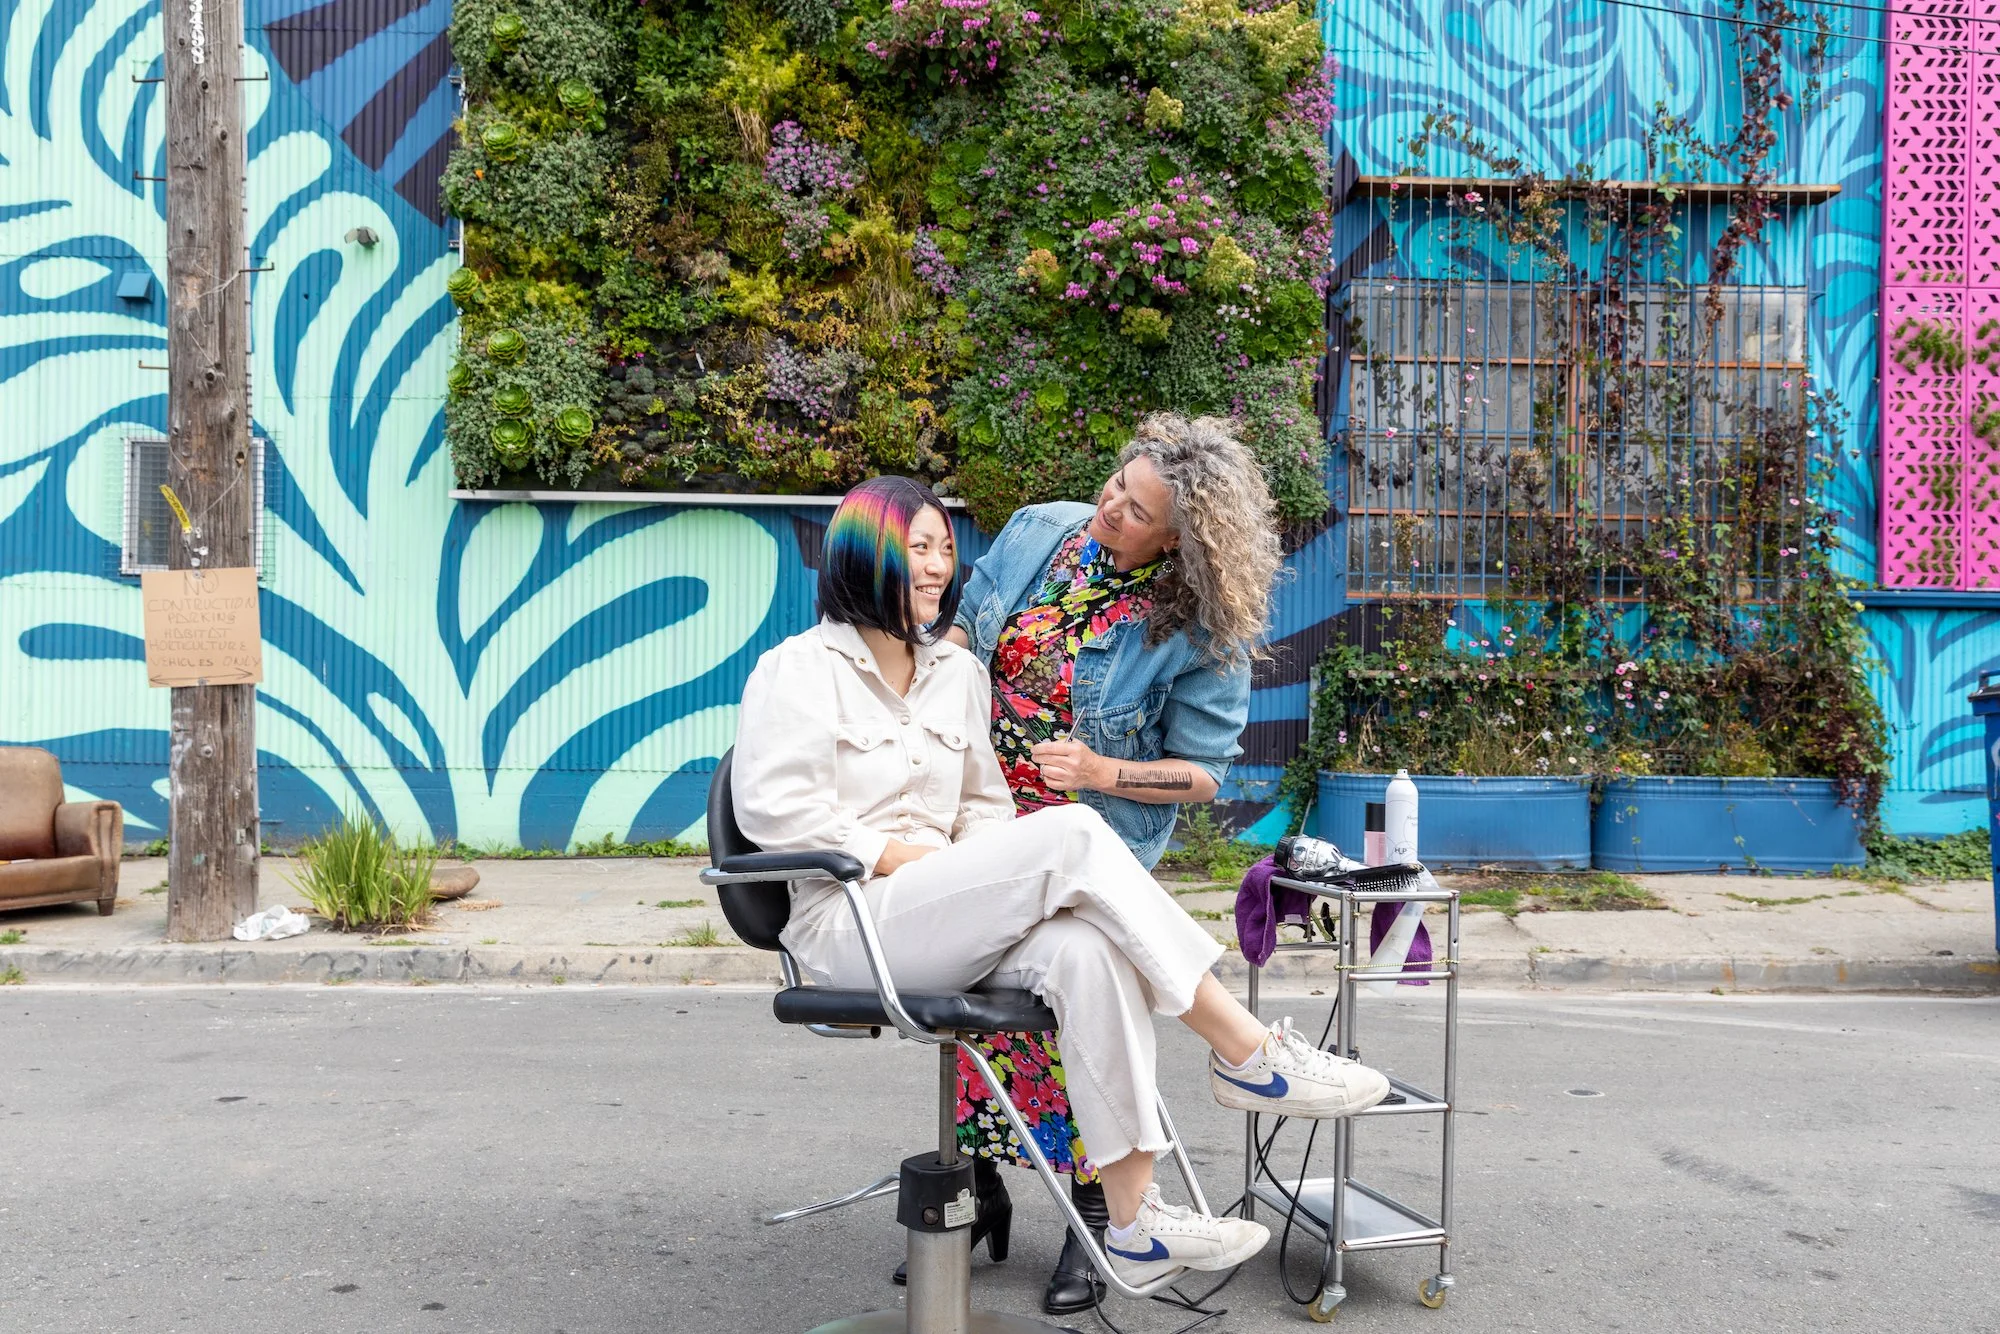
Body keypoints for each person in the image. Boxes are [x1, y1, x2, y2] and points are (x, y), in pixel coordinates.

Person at [730, 475, 1390, 1292]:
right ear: (865, 556)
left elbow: (981, 810)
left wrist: (985, 871)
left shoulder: (956, 678)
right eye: (919, 547)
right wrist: (916, 861)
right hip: (850, 927)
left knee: (1084, 947)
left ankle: (1133, 1221)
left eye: (945, 547)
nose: (940, 567)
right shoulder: (798, 668)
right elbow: (775, 814)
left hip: (944, 914)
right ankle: (1245, 1049)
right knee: (1074, 828)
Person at [926, 413, 1289, 1311]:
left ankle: (1096, 1211)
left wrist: (1102, 771)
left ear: (1180, 543)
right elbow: (967, 634)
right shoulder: (1040, 531)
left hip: (1091, 843)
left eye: (1136, 511)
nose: (1109, 508)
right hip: (978, 819)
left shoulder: (1202, 628)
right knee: (980, 1007)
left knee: (1068, 1012)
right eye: (1116, 485)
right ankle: (979, 1194)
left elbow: (1204, 774)